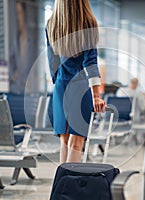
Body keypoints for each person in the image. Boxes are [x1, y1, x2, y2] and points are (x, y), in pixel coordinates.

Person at [46, 0, 105, 163]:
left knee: (64, 141)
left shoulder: (51, 23)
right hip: (80, 86)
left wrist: (59, 82)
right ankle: (71, 185)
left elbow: (52, 62)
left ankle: (61, 185)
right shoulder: (88, 22)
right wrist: (96, 95)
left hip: (60, 85)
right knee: (76, 143)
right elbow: (90, 62)